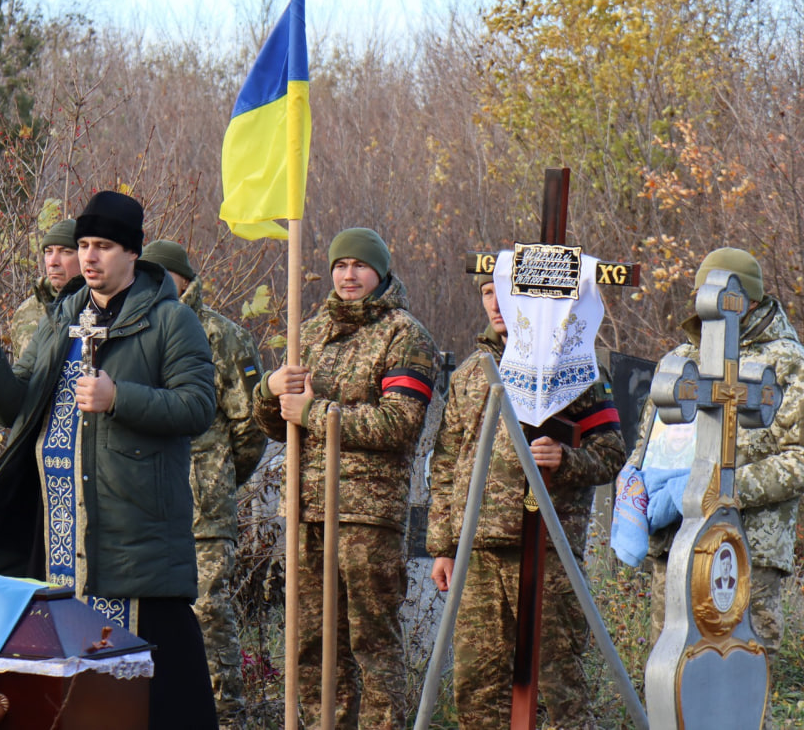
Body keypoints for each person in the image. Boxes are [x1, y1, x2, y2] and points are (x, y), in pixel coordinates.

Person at [0, 191, 219, 730]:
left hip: (133, 539)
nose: (89, 257)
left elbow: (198, 406)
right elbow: (17, 408)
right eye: (84, 244)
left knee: (155, 696)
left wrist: (120, 398)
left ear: (133, 252)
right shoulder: (62, 317)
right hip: (59, 539)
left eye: (104, 246)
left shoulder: (171, 321)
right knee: (70, 696)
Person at [254, 228, 438, 730]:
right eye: (340, 265)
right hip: (307, 511)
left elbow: (400, 423)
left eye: (359, 265)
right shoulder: (311, 331)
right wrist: (270, 391)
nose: (348, 275)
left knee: (372, 644)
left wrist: (316, 412)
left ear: (380, 271)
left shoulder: (405, 335)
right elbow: (276, 425)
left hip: (366, 516)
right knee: (311, 643)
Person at [428, 270, 625, 730]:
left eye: (504, 293)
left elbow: (611, 453)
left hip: (545, 552)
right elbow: (446, 463)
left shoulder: (575, 365)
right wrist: (443, 546)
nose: (495, 304)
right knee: (478, 690)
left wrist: (565, 459)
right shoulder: (471, 373)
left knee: (561, 690)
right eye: (487, 293)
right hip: (477, 554)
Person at [628, 248, 804, 667]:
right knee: (670, 672)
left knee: (740, 673)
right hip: (677, 541)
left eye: (720, 292)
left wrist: (724, 489)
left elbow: (799, 459)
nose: (706, 302)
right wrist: (632, 487)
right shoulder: (680, 362)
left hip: (746, 550)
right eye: (702, 292)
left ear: (751, 300)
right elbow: (648, 446)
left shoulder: (787, 363)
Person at [141, 239, 267, 729]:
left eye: (162, 277)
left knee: (209, 617)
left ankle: (226, 718)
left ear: (185, 281)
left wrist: (218, 478)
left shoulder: (222, 334)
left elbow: (250, 426)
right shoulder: (133, 329)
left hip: (204, 512)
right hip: (145, 510)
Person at [11, 219, 79, 358]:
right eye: (48, 252)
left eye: (65, 252)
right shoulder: (27, 310)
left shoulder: (100, 305)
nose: (53, 262)